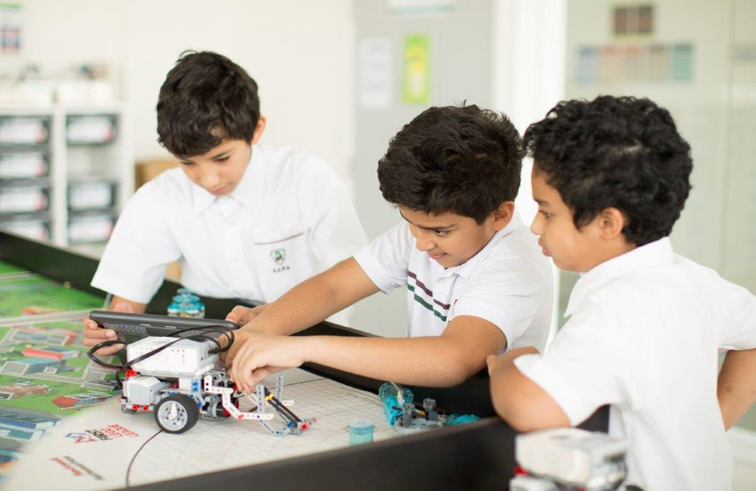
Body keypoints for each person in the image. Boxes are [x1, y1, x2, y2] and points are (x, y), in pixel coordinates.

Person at [487, 95, 756, 490]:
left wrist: (509, 365)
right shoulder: (692, 280)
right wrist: (711, 427)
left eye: (547, 211)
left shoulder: (617, 311)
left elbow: (532, 407)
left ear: (607, 223)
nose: (535, 227)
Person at [224, 104, 553, 392]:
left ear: (499, 215)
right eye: (411, 223)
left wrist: (300, 349)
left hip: (488, 425)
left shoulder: (514, 265)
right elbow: (334, 287)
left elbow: (453, 358)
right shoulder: (421, 233)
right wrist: (256, 333)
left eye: (440, 230)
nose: (421, 243)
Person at [83, 51, 366, 355]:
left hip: (308, 346)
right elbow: (126, 304)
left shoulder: (305, 176)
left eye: (222, 158)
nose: (208, 179)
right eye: (188, 163)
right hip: (209, 350)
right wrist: (111, 331)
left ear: (256, 129)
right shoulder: (159, 197)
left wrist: (269, 327)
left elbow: (351, 279)